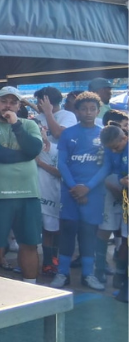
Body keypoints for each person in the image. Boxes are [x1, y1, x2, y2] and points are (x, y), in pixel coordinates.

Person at [0, 86, 44, 283]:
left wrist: (16, 126)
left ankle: (31, 289)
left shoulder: (29, 126)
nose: (8, 106)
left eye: (13, 102)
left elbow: (35, 148)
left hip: (28, 194)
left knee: (29, 244)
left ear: (19, 106)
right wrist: (27, 154)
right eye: (4, 101)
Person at [51, 92, 111, 291]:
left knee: (89, 234)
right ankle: (62, 273)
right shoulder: (68, 133)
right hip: (71, 193)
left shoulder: (104, 134)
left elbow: (106, 167)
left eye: (92, 109)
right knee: (67, 231)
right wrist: (74, 188)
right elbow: (62, 163)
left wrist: (87, 188)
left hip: (93, 194)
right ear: (76, 111)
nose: (88, 112)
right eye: (84, 108)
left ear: (98, 110)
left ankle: (88, 274)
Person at [32, 87, 77, 275]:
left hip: (60, 173)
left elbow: (59, 134)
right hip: (40, 177)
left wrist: (49, 113)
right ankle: (48, 261)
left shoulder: (67, 115)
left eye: (40, 101)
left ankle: (57, 258)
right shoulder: (36, 119)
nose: (37, 105)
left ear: (47, 101)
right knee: (45, 223)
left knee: (59, 222)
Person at [96, 110, 128, 283]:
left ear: (125, 138)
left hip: (124, 192)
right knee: (105, 228)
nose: (114, 151)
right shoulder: (110, 148)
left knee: (125, 236)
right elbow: (105, 171)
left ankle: (120, 274)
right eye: (111, 149)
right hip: (112, 189)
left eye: (116, 148)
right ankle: (100, 267)